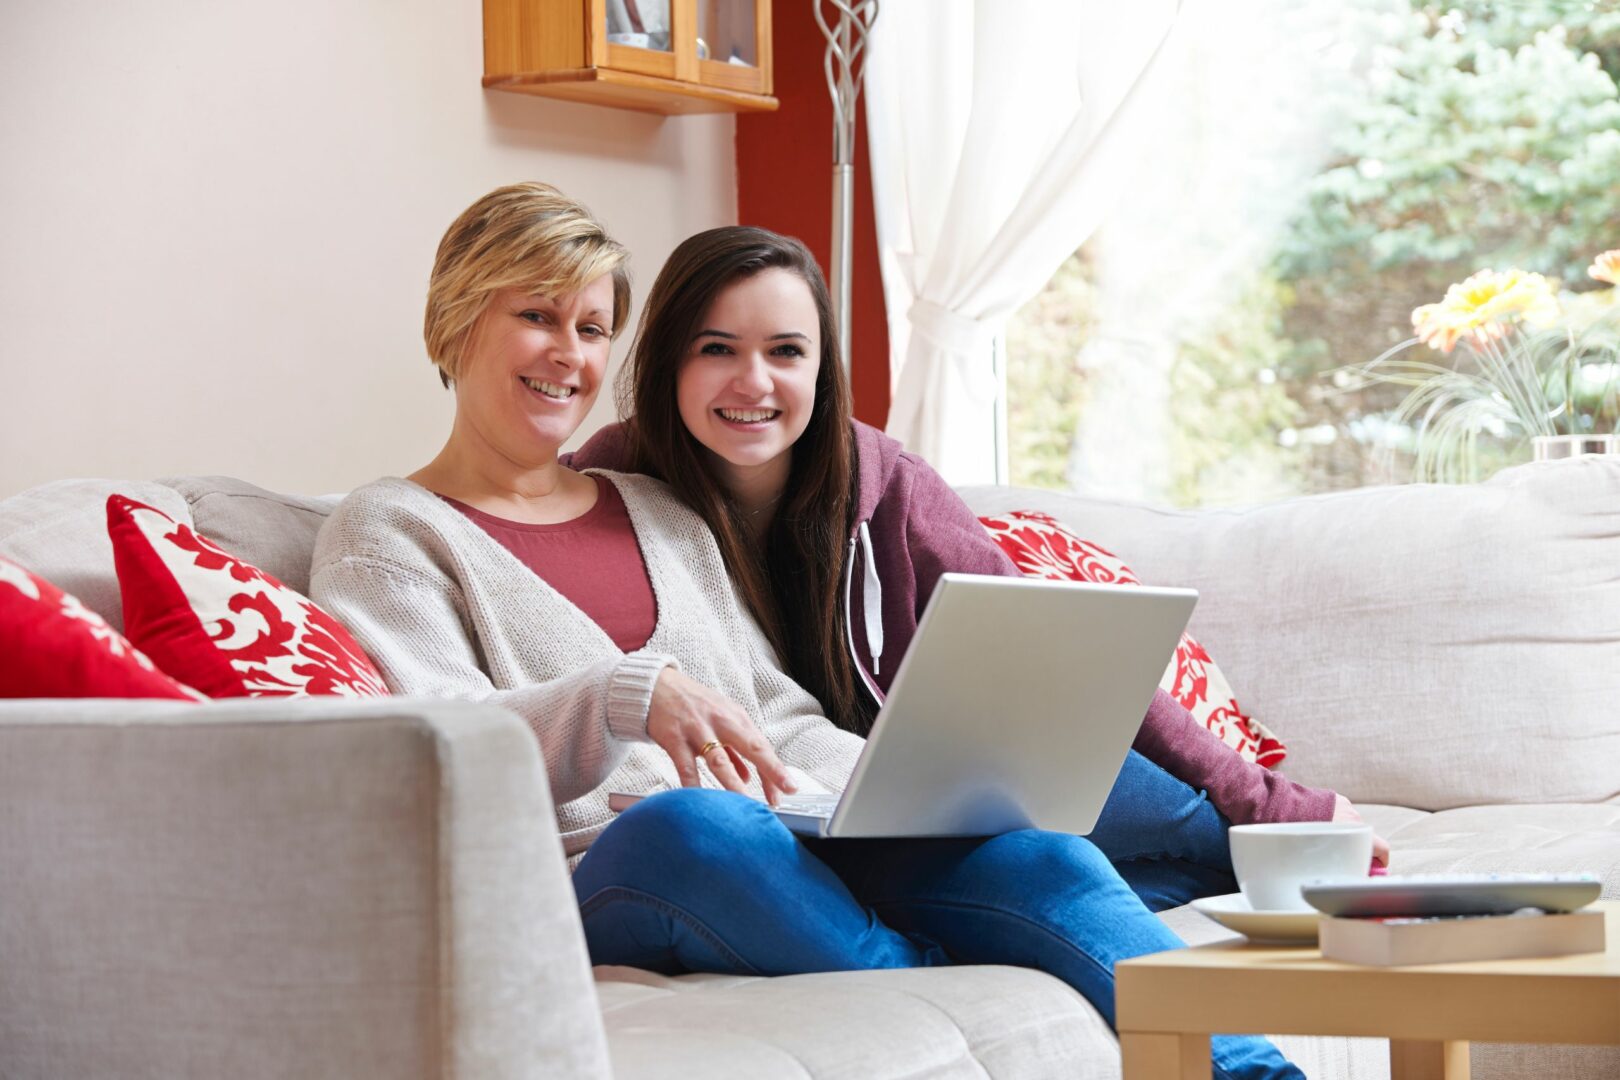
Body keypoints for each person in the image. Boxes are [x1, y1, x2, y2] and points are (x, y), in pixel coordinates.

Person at [311, 184, 1307, 1079]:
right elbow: (438, 744)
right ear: (453, 324)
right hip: (603, 862)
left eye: (590, 325)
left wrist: (879, 798)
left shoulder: (655, 506)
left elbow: (771, 709)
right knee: (692, 824)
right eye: (537, 317)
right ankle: (926, 970)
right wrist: (626, 695)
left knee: (1031, 851)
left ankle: (1254, 1069)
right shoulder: (390, 529)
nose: (569, 354)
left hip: (781, 832)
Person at [568, 225, 1390, 910]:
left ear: (821, 369)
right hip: (800, 806)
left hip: (949, 776)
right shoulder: (613, 482)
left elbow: (1069, 662)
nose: (755, 381)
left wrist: (1273, 804)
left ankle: (1270, 856)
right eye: (718, 349)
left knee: (1179, 821)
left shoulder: (885, 484)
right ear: (670, 359)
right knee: (1123, 858)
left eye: (787, 351)